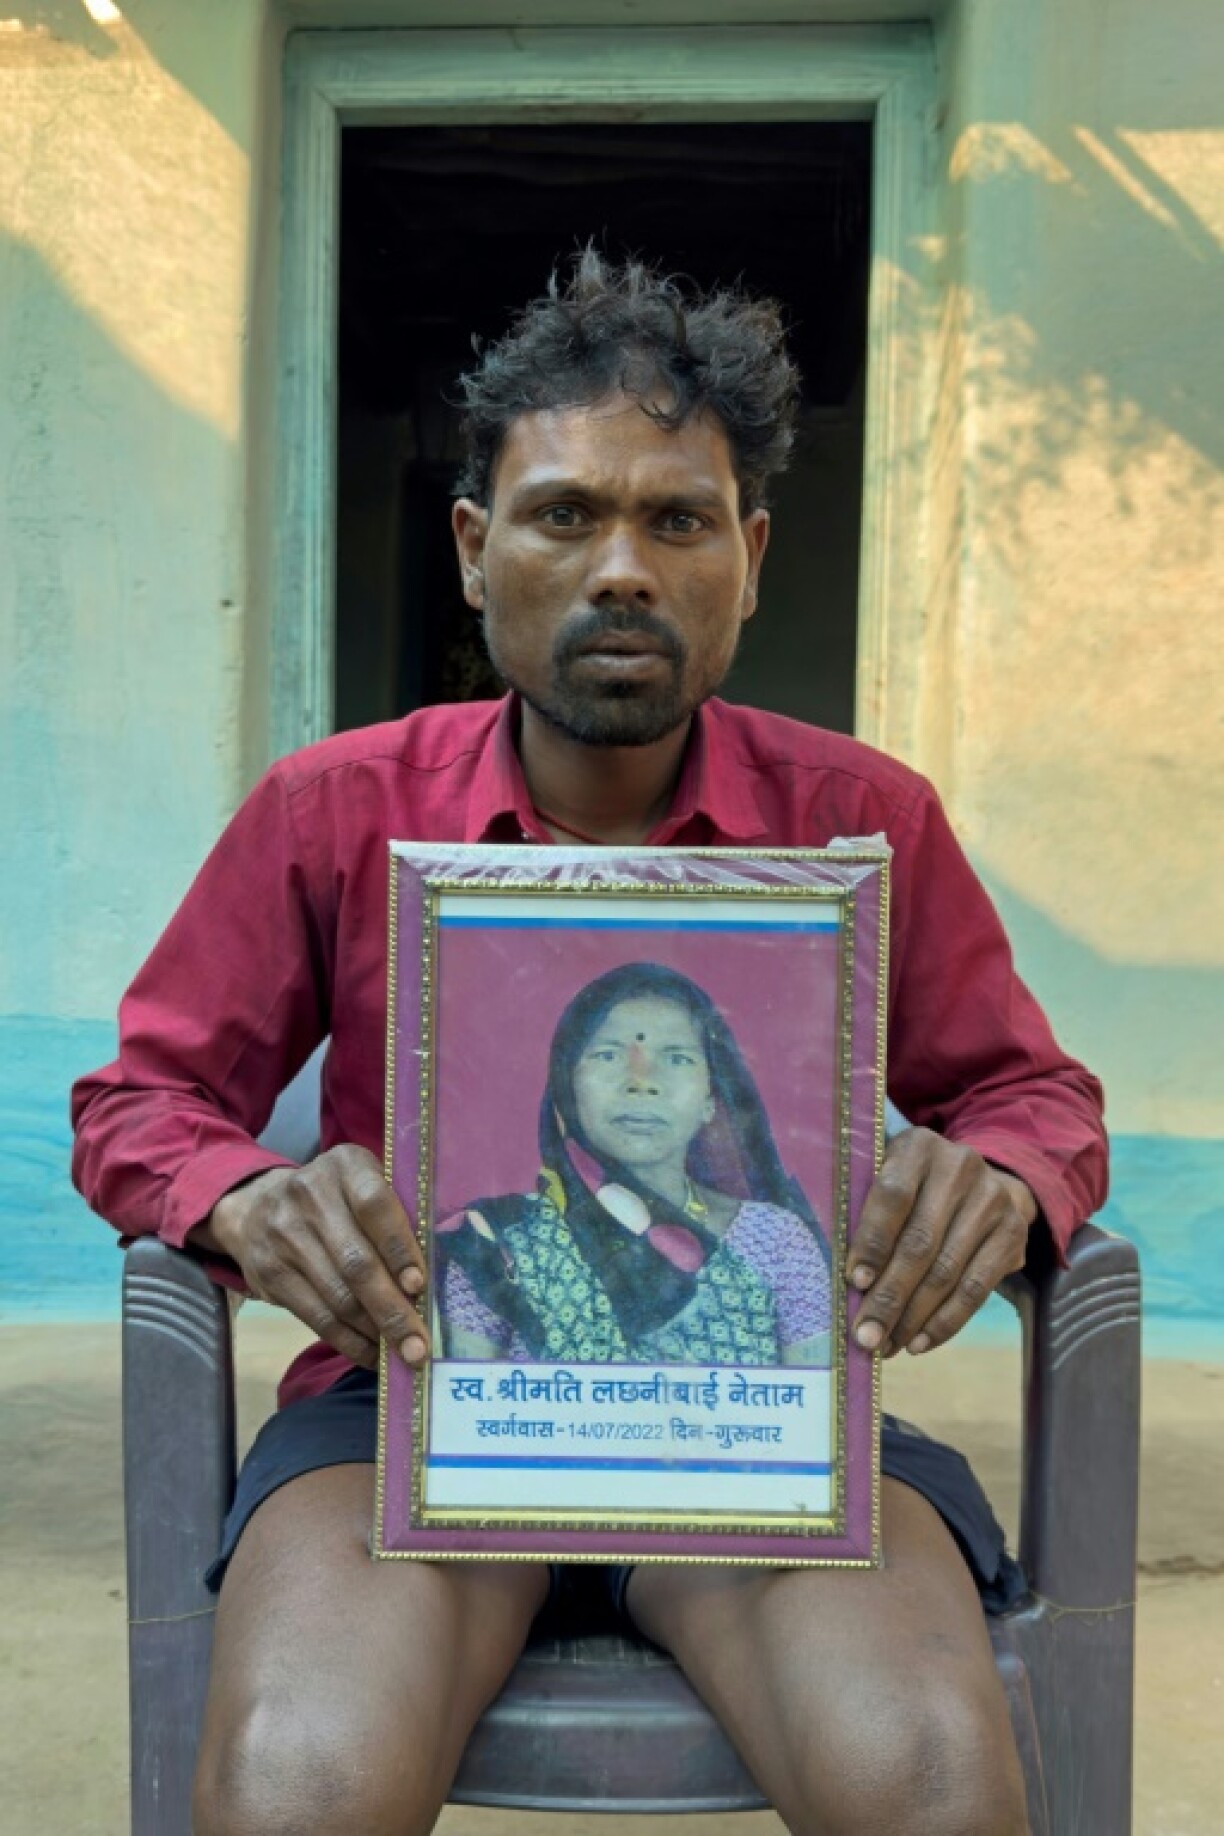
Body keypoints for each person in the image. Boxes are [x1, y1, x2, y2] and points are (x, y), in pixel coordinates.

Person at [72, 251, 1108, 1835]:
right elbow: (142, 1098)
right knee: (302, 1785)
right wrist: (241, 1196)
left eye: (678, 522)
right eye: (563, 515)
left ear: (750, 561)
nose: (621, 568)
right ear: (474, 550)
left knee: (926, 1780)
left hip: (759, 1428)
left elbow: (1029, 1092)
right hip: (411, 1411)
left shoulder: (863, 823)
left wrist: (1006, 1178)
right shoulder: (332, 812)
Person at [438, 960, 833, 1367]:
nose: (641, 1081)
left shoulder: (778, 1242)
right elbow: (462, 1399)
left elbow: (819, 1399)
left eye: (677, 1058)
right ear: (567, 1088)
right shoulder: (499, 1244)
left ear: (710, 1101)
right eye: (608, 1055)